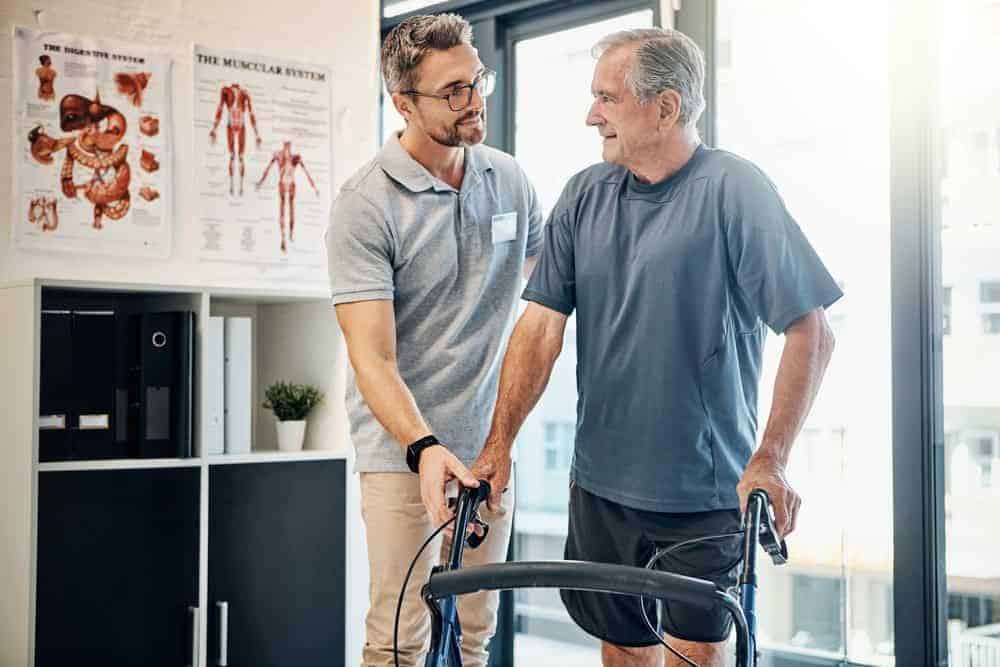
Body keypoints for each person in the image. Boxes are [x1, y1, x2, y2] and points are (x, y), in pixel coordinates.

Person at [462, 27, 841, 667]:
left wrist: (771, 458)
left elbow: (812, 330)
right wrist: (499, 443)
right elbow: (540, 328)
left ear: (664, 108)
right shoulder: (585, 193)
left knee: (696, 652)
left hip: (703, 491)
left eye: (607, 98)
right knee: (622, 650)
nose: (592, 115)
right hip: (602, 486)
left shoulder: (734, 190)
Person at [325, 13, 542, 667]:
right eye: (452, 91)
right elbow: (373, 355)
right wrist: (422, 448)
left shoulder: (509, 180)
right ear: (402, 102)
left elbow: (542, 308)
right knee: (399, 639)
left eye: (478, 80)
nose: (474, 100)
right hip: (402, 454)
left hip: (487, 448)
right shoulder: (365, 204)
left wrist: (501, 434)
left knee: (474, 632)